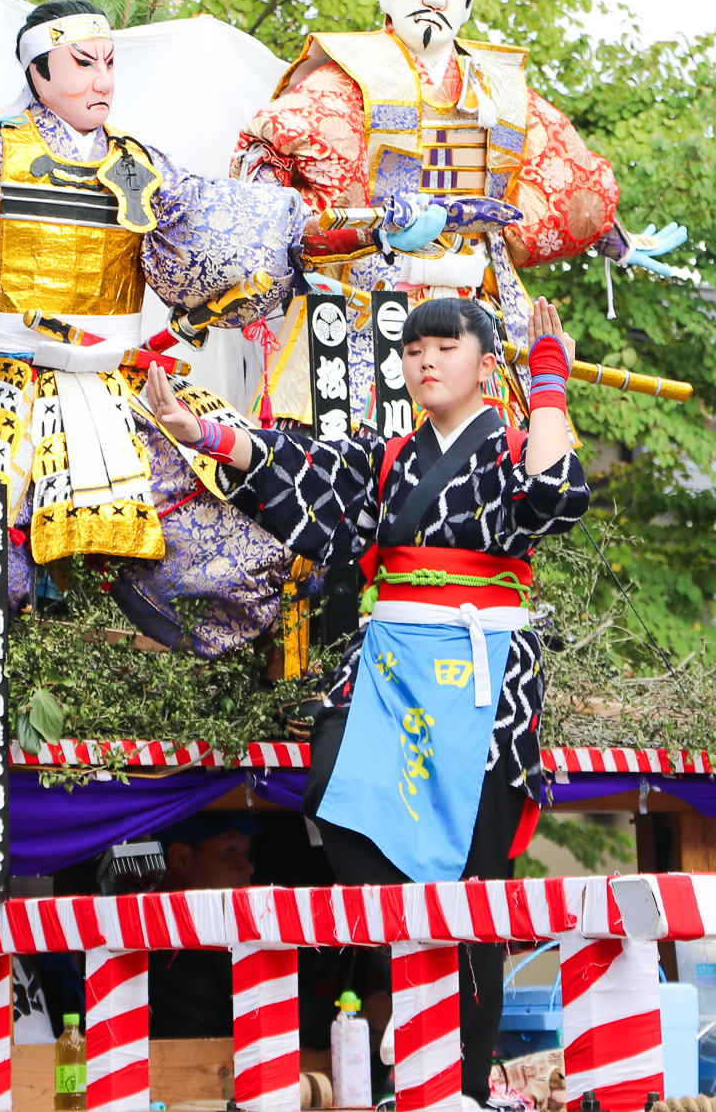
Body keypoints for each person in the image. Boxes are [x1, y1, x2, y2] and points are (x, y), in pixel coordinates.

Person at [144, 294, 587, 1107]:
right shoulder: (389, 460)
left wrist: (550, 378)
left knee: (477, 880)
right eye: (414, 348)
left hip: (484, 672)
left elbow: (555, 488)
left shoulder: (508, 449)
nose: (424, 360)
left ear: (486, 364)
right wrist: (199, 430)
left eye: (445, 347)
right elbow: (298, 467)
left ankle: (462, 1080)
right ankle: (412, 970)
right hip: (392, 664)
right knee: (334, 790)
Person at [0, 0, 307, 653]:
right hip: (2, 387)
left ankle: (143, 666)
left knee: (236, 548)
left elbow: (215, 222)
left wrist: (320, 232)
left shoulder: (132, 165)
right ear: (37, 72)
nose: (102, 79)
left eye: (109, 63)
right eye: (82, 63)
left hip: (114, 388)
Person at [233, 0, 684, 420]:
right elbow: (267, 174)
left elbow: (559, 176)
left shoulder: (498, 90)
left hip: (474, 316)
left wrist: (614, 235)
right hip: (360, 314)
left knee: (488, 478)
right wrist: (366, 229)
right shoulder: (343, 80)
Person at [145, 814, 262, 1041]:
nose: (248, 867)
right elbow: (269, 1006)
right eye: (231, 850)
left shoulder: (143, 921)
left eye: (245, 852)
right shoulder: (210, 928)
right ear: (181, 859)